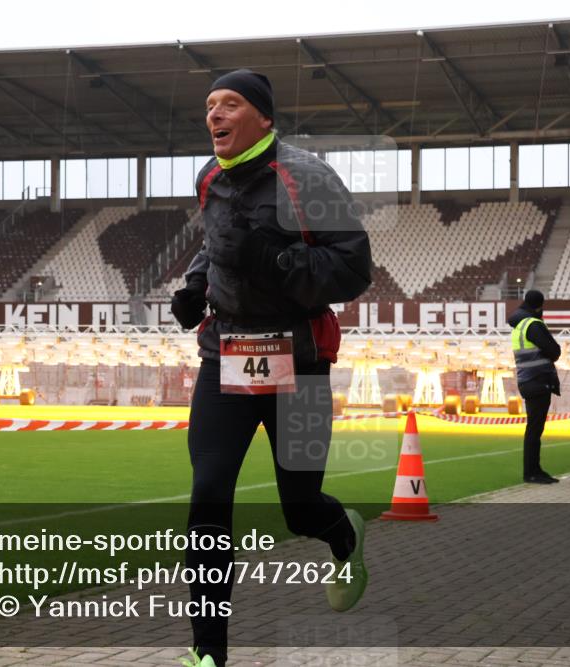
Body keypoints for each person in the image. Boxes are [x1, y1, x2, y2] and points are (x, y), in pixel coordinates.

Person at [170, 69, 372, 667]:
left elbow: (354, 268)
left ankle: (343, 534)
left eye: (229, 104)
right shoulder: (209, 177)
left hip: (299, 363)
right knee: (208, 496)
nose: (215, 115)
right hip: (224, 357)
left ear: (262, 117)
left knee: (299, 507)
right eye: (209, 105)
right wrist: (196, 286)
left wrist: (275, 256)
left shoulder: (307, 176)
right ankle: (208, 652)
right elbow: (215, 244)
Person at [508, 289, 562, 484]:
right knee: (534, 429)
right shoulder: (534, 325)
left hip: (528, 380)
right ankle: (531, 472)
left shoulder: (520, 326)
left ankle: (534, 469)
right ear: (540, 306)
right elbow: (554, 351)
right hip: (538, 380)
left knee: (534, 428)